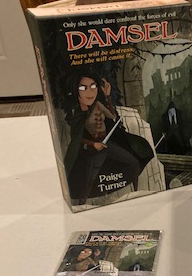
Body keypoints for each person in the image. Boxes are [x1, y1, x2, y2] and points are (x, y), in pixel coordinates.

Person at [64, 70, 154, 203]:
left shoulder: (98, 105)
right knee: (88, 179)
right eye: (83, 88)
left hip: (106, 144)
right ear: (75, 91)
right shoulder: (78, 114)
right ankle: (82, 204)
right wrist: (93, 144)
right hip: (93, 149)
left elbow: (112, 116)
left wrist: (108, 97)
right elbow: (76, 138)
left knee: (133, 163)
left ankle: (135, 193)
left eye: (93, 86)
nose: (90, 92)